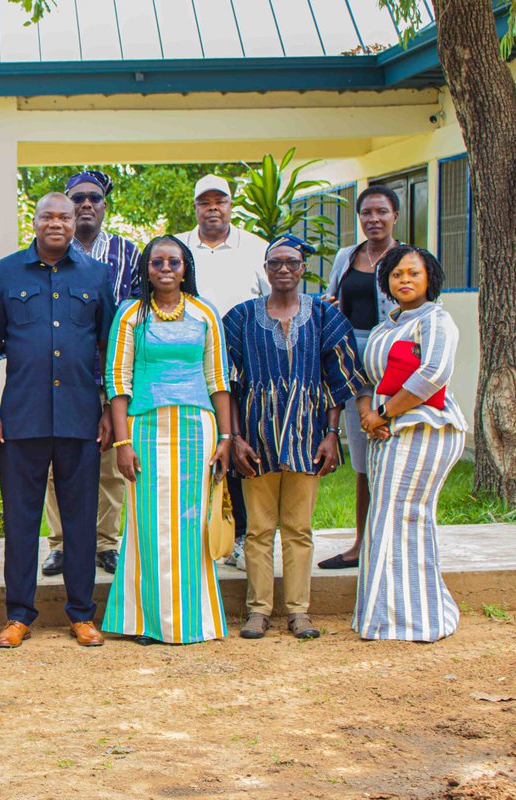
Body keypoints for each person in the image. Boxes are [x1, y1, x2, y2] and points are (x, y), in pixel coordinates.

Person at [0, 193, 113, 649]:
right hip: (22, 415)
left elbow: (107, 349)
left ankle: (81, 614)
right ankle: (18, 615)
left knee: (80, 521)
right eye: (47, 216)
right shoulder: (5, 271)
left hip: (80, 416)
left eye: (65, 217)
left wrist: (110, 411)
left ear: (77, 223)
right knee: (21, 519)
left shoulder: (97, 275)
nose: (56, 223)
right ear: (33, 222)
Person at [224, 236, 365, 640]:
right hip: (257, 439)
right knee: (258, 530)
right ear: (265, 269)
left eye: (292, 262)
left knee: (299, 528)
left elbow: (337, 381)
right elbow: (226, 383)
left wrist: (331, 434)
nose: (283, 269)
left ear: (303, 268)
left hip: (307, 437)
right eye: (275, 263)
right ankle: (258, 610)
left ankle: (299, 611)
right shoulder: (240, 318)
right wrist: (235, 438)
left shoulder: (324, 316)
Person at [101, 235, 232, 645]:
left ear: (185, 266)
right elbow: (117, 380)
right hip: (145, 428)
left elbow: (219, 380)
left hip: (197, 427)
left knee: (191, 523)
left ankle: (195, 619)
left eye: (173, 261)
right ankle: (146, 620)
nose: (165, 269)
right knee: (146, 524)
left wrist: (227, 436)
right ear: (146, 268)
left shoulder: (204, 313)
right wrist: (122, 443)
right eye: (157, 262)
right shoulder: (130, 315)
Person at [352, 246, 466, 643]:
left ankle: (418, 620)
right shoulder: (386, 328)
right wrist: (370, 414)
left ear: (429, 279)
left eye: (413, 273)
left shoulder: (437, 320)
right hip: (386, 431)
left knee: (406, 518)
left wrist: (383, 414)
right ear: (386, 282)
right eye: (397, 274)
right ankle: (384, 616)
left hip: (426, 430)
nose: (404, 280)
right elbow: (367, 378)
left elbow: (433, 374)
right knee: (385, 519)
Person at [43, 170, 142, 578]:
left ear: (105, 205)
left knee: (109, 462)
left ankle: (105, 542)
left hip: (112, 371)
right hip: (60, 375)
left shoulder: (127, 252)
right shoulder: (50, 250)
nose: (86, 204)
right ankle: (61, 544)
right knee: (54, 465)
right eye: (78, 198)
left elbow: (136, 314)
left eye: (94, 198)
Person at [175, 175, 269, 570]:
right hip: (189, 368)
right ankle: (207, 535)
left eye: (220, 201)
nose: (212, 208)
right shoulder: (179, 246)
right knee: (202, 452)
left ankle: (246, 537)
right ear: (195, 207)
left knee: (241, 448)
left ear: (231, 206)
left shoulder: (256, 248)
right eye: (204, 202)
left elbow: (272, 299)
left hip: (244, 368)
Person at [319, 185, 402, 570]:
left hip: (396, 366)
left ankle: (394, 543)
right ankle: (360, 544)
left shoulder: (407, 259)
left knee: (397, 454)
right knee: (364, 461)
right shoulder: (346, 256)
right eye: (367, 213)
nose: (373, 219)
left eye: (381, 212)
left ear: (395, 216)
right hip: (353, 364)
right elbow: (330, 300)